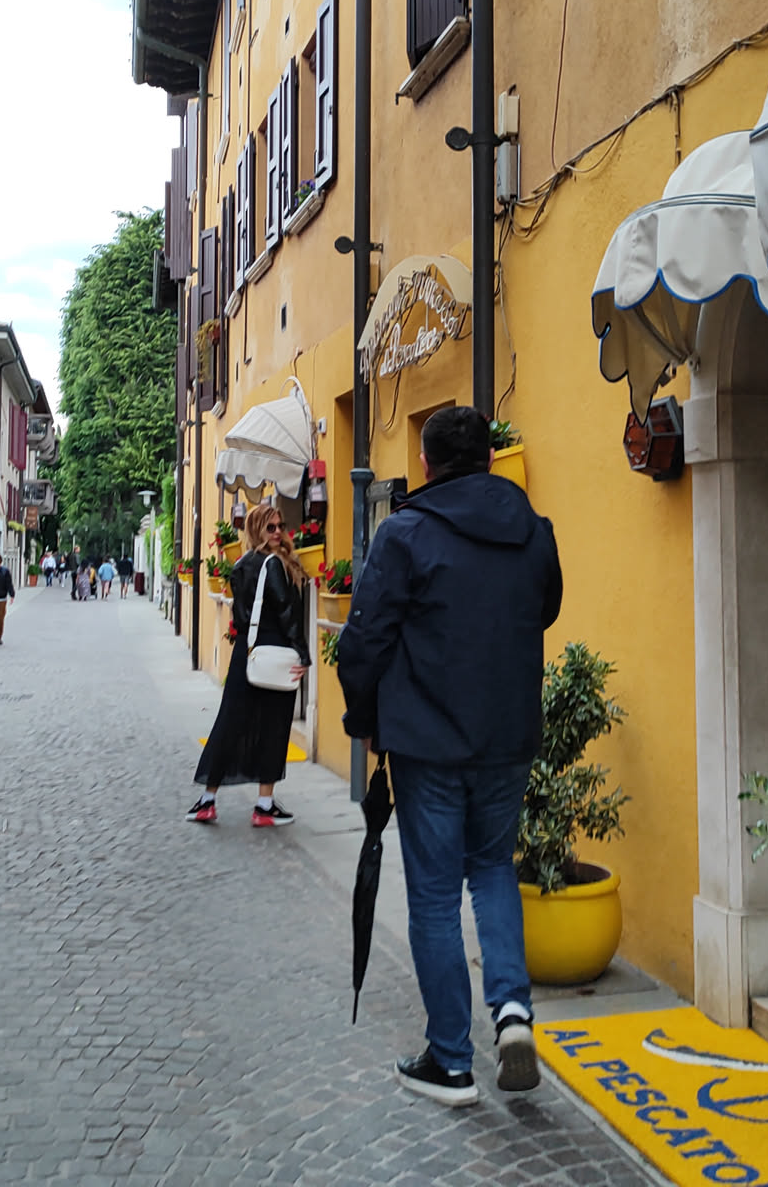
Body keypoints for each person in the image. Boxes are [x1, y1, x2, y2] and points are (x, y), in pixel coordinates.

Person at [337, 406, 563, 1107]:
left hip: (427, 738)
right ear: (490, 460)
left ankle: (451, 1061)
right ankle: (513, 1011)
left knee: (434, 896)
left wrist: (363, 718)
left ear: (425, 464)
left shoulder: (405, 533)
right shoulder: (534, 531)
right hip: (507, 736)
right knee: (492, 868)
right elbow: (546, 608)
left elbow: (364, 640)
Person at [186, 504, 310, 828]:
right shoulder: (274, 564)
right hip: (276, 652)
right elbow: (286, 612)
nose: (278, 532)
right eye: (270, 527)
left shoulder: (240, 564)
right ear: (256, 529)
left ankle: (207, 799)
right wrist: (302, 654)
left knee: (230, 723)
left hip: (248, 652)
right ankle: (264, 805)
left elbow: (241, 616)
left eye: (280, 525)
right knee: (275, 726)